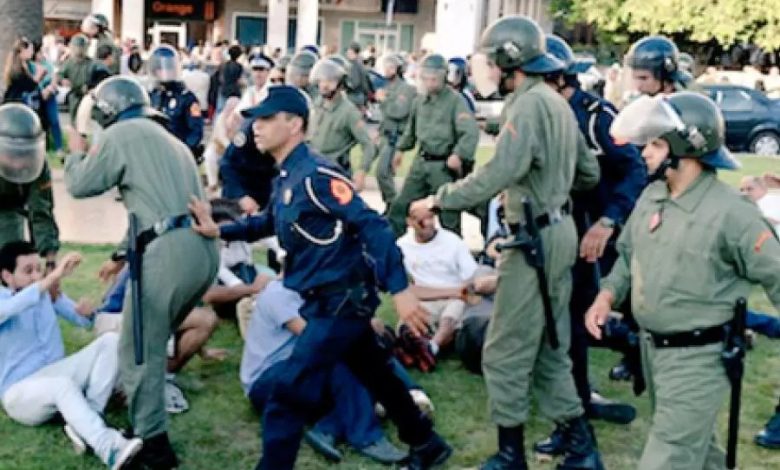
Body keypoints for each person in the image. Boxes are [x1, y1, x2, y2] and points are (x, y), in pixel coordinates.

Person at [188, 85, 451, 470]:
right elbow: (268, 221)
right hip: (325, 300)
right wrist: (220, 231)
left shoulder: (317, 175)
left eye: (266, 119)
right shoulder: (287, 176)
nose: (255, 127)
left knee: (286, 397)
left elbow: (374, 225)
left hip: (339, 303)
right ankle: (427, 443)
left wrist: (401, 290)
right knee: (377, 374)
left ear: (294, 124)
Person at [409, 15, 604, 470]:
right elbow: (589, 173)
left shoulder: (526, 105)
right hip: (559, 232)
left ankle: (511, 454)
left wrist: (438, 200)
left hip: (534, 240)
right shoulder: (557, 103)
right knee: (550, 343)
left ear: (506, 61)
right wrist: (551, 186)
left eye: (489, 61)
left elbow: (500, 172)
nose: (485, 70)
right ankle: (581, 447)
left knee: (503, 350)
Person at [584, 91, 780, 469]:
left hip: (699, 359)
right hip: (653, 351)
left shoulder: (732, 213)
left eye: (656, 144)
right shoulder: (652, 197)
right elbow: (629, 256)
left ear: (686, 150)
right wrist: (606, 296)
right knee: (698, 453)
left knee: (667, 456)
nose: (645, 153)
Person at [63, 76, 219, 469]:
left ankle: (153, 444)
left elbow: (80, 185)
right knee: (152, 341)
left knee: (137, 351)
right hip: (201, 253)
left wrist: (76, 151)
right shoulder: (172, 140)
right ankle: (146, 417)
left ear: (108, 111)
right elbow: (157, 210)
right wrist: (120, 254)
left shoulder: (122, 134)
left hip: (168, 256)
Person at [532, 36, 644, 455]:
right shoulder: (540, 112)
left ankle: (582, 404)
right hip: (553, 231)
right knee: (559, 322)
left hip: (591, 233)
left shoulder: (597, 117)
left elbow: (634, 169)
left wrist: (607, 221)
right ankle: (575, 401)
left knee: (579, 318)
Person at [0, 242, 143, 469]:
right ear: (7, 276)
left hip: (54, 375)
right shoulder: (5, 301)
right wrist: (53, 276)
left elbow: (85, 322)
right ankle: (109, 448)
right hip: (19, 394)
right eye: (28, 271)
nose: (36, 276)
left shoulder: (46, 294)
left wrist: (87, 312)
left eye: (38, 269)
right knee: (62, 384)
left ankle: (88, 419)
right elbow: (16, 305)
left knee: (109, 342)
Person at [242, 278, 408, 465]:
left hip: (302, 378)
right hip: (266, 382)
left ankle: (327, 430)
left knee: (364, 366)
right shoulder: (279, 294)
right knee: (338, 361)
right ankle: (367, 438)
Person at [387, 53, 480, 237]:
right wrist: (400, 150)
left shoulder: (455, 101)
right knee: (400, 207)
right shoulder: (419, 102)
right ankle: (391, 248)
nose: (429, 83)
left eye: (434, 79)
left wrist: (459, 154)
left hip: (443, 166)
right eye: (426, 79)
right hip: (421, 163)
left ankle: (453, 251)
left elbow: (470, 132)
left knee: (448, 215)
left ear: (444, 77)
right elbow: (410, 132)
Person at [397, 205, 478, 360]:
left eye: (431, 218)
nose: (428, 223)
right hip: (428, 298)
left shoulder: (452, 241)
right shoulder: (402, 246)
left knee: (450, 316)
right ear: (410, 222)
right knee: (408, 323)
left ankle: (432, 347)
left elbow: (471, 278)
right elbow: (407, 288)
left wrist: (458, 293)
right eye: (421, 220)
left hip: (456, 299)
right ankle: (419, 346)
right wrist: (453, 292)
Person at [0, 104, 59, 268]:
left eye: (23, 155)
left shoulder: (36, 163)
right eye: (12, 155)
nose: (18, 164)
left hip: (10, 209)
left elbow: (41, 210)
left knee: (10, 260)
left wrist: (50, 259)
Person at [308, 56, 376, 189]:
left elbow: (368, 145)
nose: (324, 85)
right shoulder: (317, 104)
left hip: (335, 172)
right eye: (321, 80)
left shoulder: (349, 112)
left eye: (330, 81)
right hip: (312, 167)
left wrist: (362, 171)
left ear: (341, 82)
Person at [374, 54, 417, 208]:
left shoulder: (406, 89)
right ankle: (390, 205)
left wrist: (384, 100)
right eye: (386, 66)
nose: (387, 69)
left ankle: (394, 205)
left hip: (396, 137)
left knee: (383, 172)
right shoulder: (387, 88)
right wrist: (379, 131)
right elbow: (386, 116)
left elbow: (399, 112)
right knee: (384, 173)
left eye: (391, 66)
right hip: (386, 135)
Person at [149, 45, 205, 162]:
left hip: (178, 156)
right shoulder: (151, 96)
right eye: (160, 69)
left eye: (168, 68)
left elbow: (196, 131)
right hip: (154, 155)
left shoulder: (187, 98)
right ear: (154, 70)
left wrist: (183, 152)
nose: (165, 72)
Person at [625, 35, 690, 97]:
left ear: (667, 82)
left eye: (643, 78)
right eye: (634, 78)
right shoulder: (636, 99)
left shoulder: (685, 102)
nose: (637, 86)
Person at [3, 37, 47, 127]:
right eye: (30, 50)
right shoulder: (16, 69)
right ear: (22, 50)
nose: (32, 52)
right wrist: (39, 75)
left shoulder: (28, 66)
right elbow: (28, 85)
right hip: (18, 104)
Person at [59, 34, 96, 124]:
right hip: (74, 93)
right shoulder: (68, 63)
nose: (79, 50)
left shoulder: (92, 63)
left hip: (88, 94)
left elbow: (98, 78)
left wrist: (90, 86)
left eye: (81, 47)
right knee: (74, 119)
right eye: (77, 47)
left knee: (86, 118)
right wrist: (62, 80)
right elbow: (60, 75)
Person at [344, 42, 372, 111]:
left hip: (355, 96)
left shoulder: (354, 65)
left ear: (354, 53)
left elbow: (355, 83)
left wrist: (345, 86)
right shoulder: (359, 63)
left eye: (349, 52)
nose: (347, 54)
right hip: (360, 96)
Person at [217, 45, 244, 113]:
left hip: (224, 90)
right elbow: (239, 80)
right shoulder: (239, 66)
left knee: (221, 111)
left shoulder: (223, 65)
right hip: (235, 90)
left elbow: (221, 79)